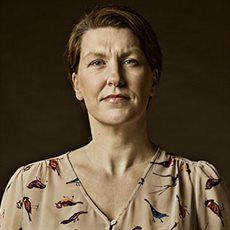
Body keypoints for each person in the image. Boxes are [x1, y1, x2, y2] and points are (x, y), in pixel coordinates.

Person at [0, 4, 229, 230]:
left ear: (153, 80)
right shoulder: (30, 187)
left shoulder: (198, 186)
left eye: (130, 61)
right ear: (77, 84)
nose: (115, 78)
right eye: (97, 62)